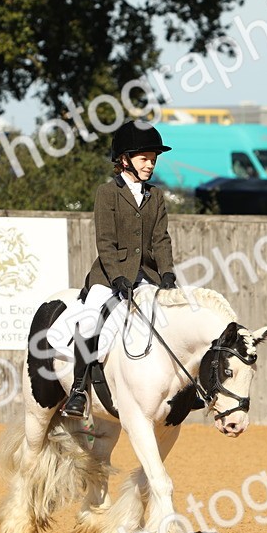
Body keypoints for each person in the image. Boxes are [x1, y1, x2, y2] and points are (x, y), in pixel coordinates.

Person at [61, 120, 178, 419]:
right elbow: (105, 241)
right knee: (90, 320)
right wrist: (118, 277)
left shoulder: (156, 195)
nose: (150, 165)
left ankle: (181, 389)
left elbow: (161, 239)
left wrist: (167, 274)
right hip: (109, 277)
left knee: (174, 319)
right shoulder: (107, 193)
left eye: (153, 159)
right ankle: (78, 389)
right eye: (144, 159)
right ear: (125, 160)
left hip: (148, 277)